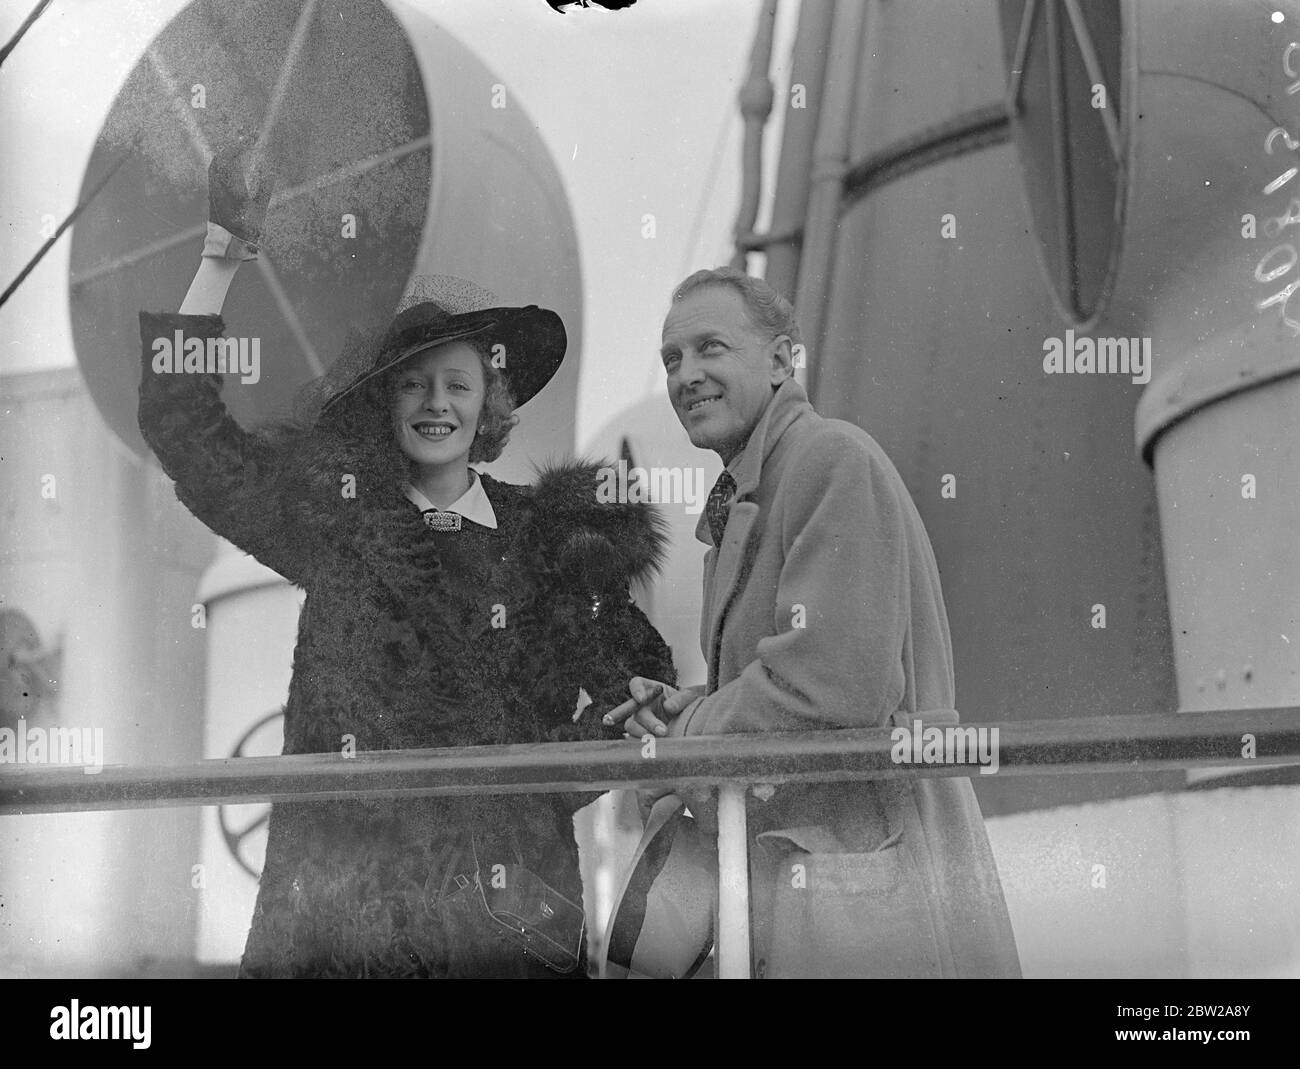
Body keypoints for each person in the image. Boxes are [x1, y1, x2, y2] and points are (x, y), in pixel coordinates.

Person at [137, 146, 676, 977]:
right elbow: (184, 427)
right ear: (384, 406)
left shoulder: (546, 536)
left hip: (509, 924)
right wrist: (220, 257)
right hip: (345, 920)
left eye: (457, 386)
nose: (436, 405)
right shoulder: (338, 519)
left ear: (491, 404)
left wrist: (544, 781)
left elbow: (638, 669)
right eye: (413, 386)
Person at [607, 267, 1021, 978]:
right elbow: (791, 674)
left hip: (873, 861)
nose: (686, 375)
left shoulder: (831, 460)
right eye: (673, 358)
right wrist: (697, 706)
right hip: (816, 866)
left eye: (710, 347)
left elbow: (828, 686)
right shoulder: (758, 489)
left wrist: (689, 733)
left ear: (779, 359)